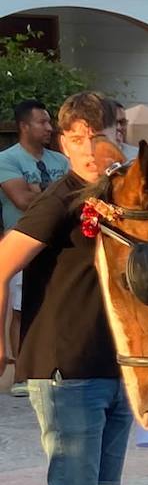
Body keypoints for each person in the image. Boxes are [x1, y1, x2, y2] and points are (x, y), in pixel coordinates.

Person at [0, 91, 148, 485]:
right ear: (65, 141)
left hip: (112, 363)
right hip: (64, 366)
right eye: (79, 137)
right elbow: (2, 263)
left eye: (103, 132)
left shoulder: (117, 197)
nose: (92, 147)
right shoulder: (61, 199)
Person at [0, 99, 69, 398]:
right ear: (24, 126)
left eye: (49, 122)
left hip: (59, 245)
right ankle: (22, 371)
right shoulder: (7, 160)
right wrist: (51, 196)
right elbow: (22, 201)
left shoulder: (61, 161)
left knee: (57, 303)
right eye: (42, 122)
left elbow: (76, 196)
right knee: (20, 308)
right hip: (22, 241)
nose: (49, 128)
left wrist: (40, 193)